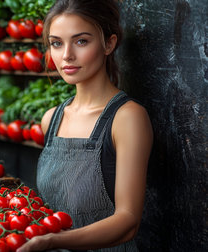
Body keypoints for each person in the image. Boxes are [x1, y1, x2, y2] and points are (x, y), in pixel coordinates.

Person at [17, 0, 153, 251]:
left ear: (109, 44)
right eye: (57, 43)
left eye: (81, 41)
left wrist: (51, 240)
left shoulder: (127, 118)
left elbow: (128, 221)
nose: (66, 55)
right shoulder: (51, 119)